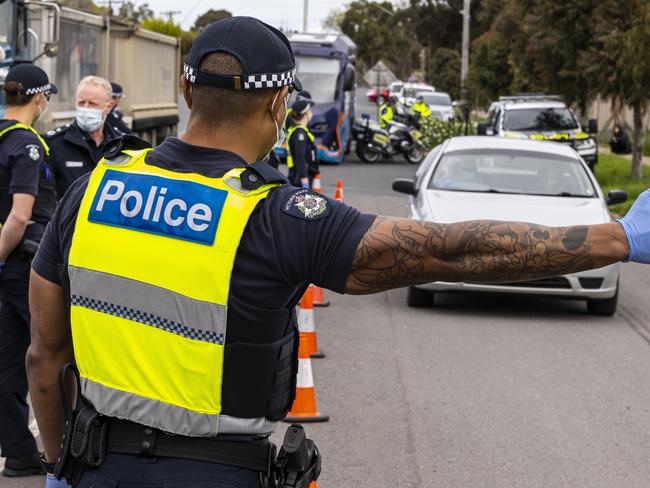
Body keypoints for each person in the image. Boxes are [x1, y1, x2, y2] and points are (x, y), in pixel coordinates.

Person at [26, 15, 650, 488]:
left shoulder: (91, 193)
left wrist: (59, 465)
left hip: (94, 464)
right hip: (217, 474)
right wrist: (617, 237)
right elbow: (447, 254)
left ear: (187, 93)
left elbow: (43, 355)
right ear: (278, 104)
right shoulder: (277, 217)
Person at [0, 64, 57, 478]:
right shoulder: (26, 144)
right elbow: (20, 217)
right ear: (39, 98)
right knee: (52, 354)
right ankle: (66, 449)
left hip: (7, 269)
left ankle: (19, 453)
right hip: (24, 266)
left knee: (5, 364)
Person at [44, 76, 121, 198]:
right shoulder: (53, 144)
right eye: (81, 102)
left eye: (92, 104)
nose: (85, 108)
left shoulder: (121, 145)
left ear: (109, 106)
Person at [286, 97, 318, 188]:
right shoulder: (300, 134)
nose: (311, 113)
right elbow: (300, 158)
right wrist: (304, 180)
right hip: (300, 177)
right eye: (309, 110)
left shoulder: (298, 131)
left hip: (298, 174)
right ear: (305, 114)